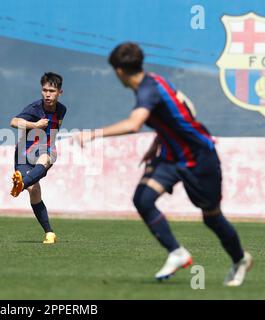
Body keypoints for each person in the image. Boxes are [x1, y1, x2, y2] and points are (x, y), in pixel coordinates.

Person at [77, 43, 252, 286]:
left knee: (211, 217)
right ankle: (177, 253)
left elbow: (133, 124)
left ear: (119, 71)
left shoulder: (147, 91)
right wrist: (159, 140)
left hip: (200, 158)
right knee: (143, 199)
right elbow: (185, 110)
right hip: (170, 157)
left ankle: (240, 259)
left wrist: (92, 134)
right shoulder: (156, 80)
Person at [10, 72, 67, 244]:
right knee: (34, 191)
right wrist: (34, 125)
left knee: (46, 157)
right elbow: (13, 122)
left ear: (59, 92)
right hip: (23, 155)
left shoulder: (62, 110)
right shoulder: (35, 109)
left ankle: (21, 184)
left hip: (45, 150)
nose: (47, 94)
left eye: (51, 90)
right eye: (44, 90)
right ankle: (50, 233)